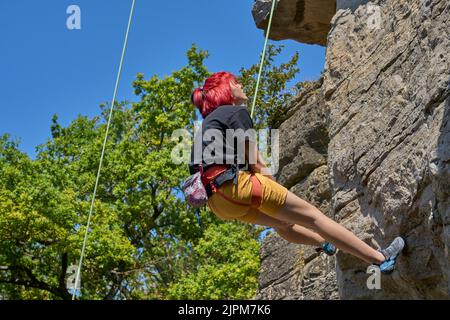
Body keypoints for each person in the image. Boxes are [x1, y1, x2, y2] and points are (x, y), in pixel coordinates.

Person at [188, 71, 405, 273]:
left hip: (218, 204)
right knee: (314, 218)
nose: (242, 85)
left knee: (282, 222)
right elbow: (256, 161)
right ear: (226, 89)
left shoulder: (206, 127)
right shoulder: (234, 112)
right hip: (236, 188)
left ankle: (323, 242)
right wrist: (274, 185)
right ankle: (380, 258)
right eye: (236, 83)